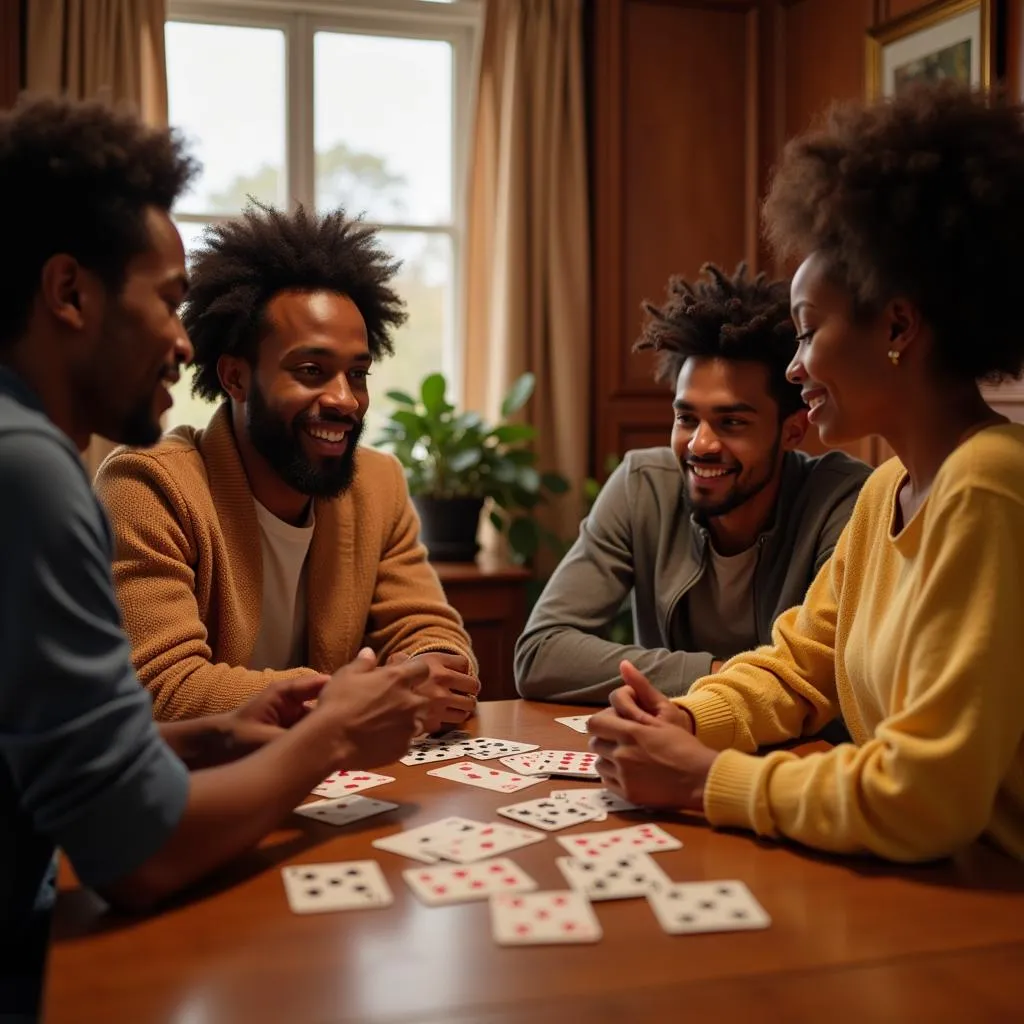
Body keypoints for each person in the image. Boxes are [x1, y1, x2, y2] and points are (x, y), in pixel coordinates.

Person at [0, 96, 432, 1019]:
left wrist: (221, 731)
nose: (183, 340)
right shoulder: (38, 470)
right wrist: (335, 730)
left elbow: (41, 752)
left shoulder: (22, 449)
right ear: (70, 293)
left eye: (357, 373)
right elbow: (139, 855)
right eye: (164, 300)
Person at [588, 82, 1024, 863]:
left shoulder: (988, 486)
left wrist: (702, 779)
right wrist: (686, 719)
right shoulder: (888, 486)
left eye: (807, 332)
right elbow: (799, 667)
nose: (794, 369)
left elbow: (923, 796)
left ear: (897, 325)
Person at [94, 202, 479, 733]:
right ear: (234, 378)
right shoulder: (149, 487)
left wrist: (428, 666)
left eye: (358, 374)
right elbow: (164, 690)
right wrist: (353, 701)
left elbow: (431, 632)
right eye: (311, 370)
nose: (345, 400)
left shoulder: (378, 484)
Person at [515, 263, 870, 703]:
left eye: (732, 422)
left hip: (795, 764)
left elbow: (837, 679)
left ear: (793, 431)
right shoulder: (644, 486)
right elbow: (541, 652)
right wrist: (721, 676)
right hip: (670, 746)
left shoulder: (843, 501)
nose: (700, 444)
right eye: (686, 418)